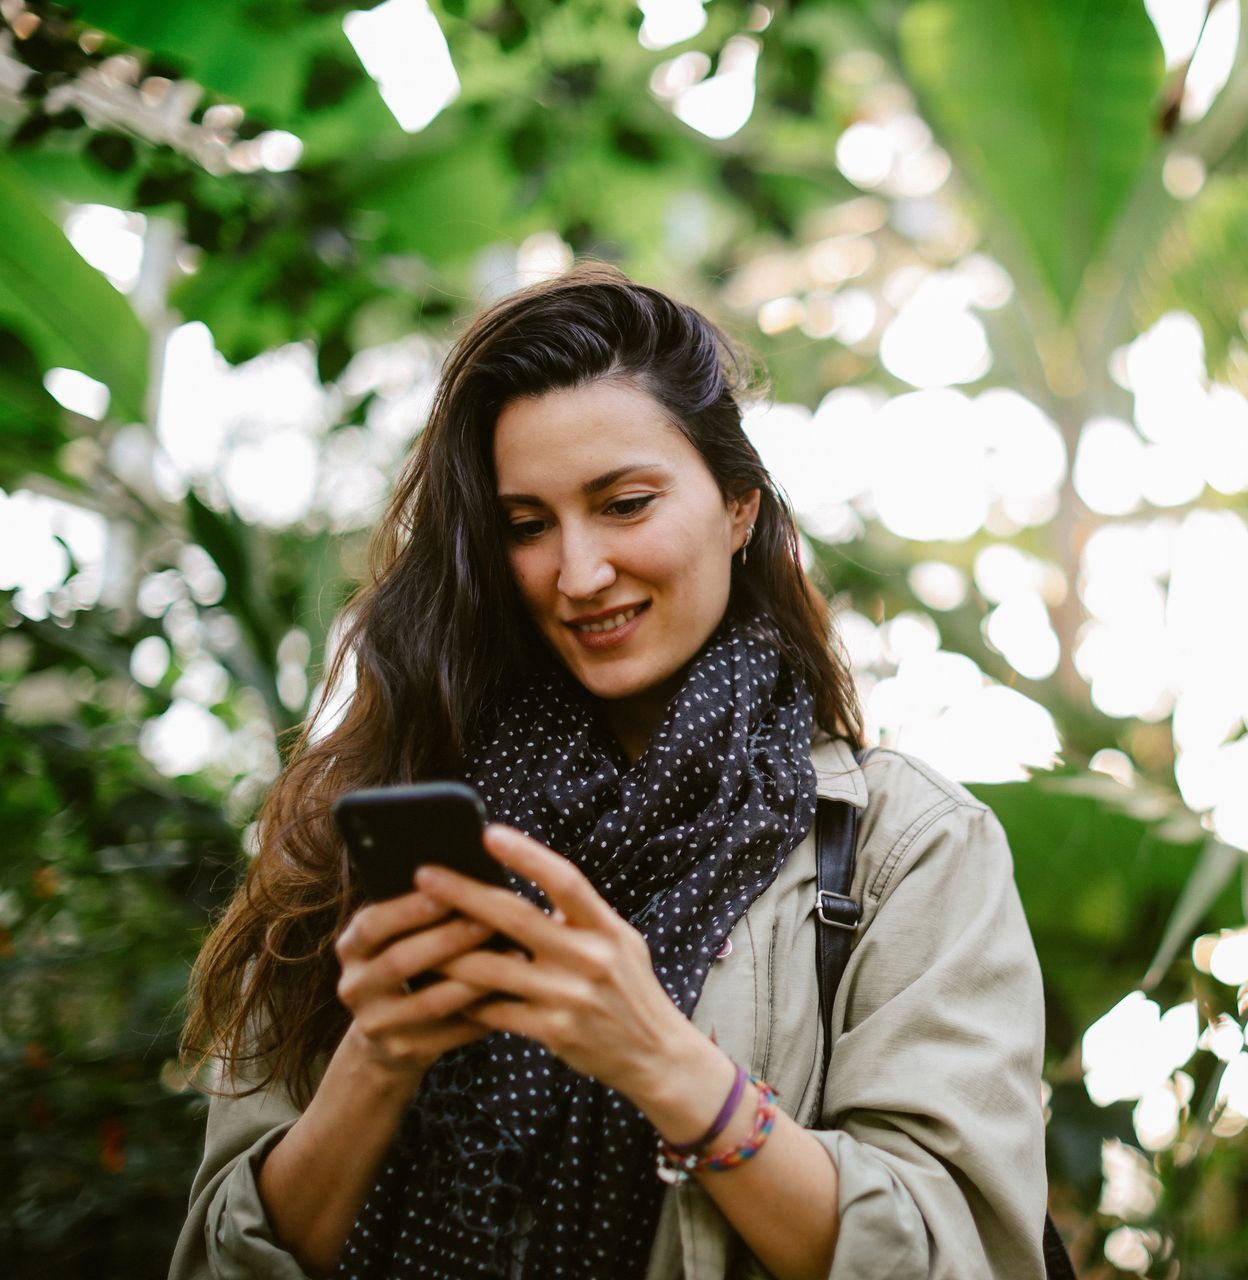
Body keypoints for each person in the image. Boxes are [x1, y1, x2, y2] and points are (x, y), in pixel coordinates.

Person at [170, 263, 1050, 1279]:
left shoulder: (904, 847)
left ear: (737, 508)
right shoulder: (365, 824)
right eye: (526, 526)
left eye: (625, 504)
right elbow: (211, 1259)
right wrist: (379, 1054)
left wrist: (665, 1062)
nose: (578, 573)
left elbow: (962, 1256)